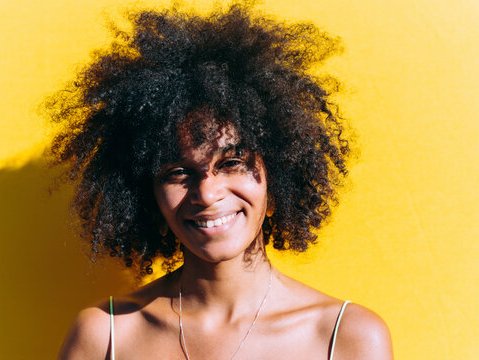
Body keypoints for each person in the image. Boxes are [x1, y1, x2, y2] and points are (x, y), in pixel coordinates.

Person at [47, 2, 393, 359]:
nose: (207, 193)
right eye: (178, 172)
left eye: (231, 162)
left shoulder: (346, 337)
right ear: (146, 195)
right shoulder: (105, 335)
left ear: (277, 175)